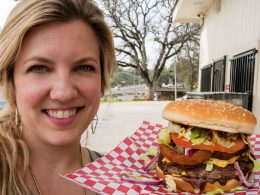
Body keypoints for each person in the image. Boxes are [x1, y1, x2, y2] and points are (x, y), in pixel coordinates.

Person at [0, 0, 116, 194]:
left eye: (84, 67)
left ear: (102, 81)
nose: (64, 93)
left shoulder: (125, 180)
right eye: (39, 68)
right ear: (11, 81)